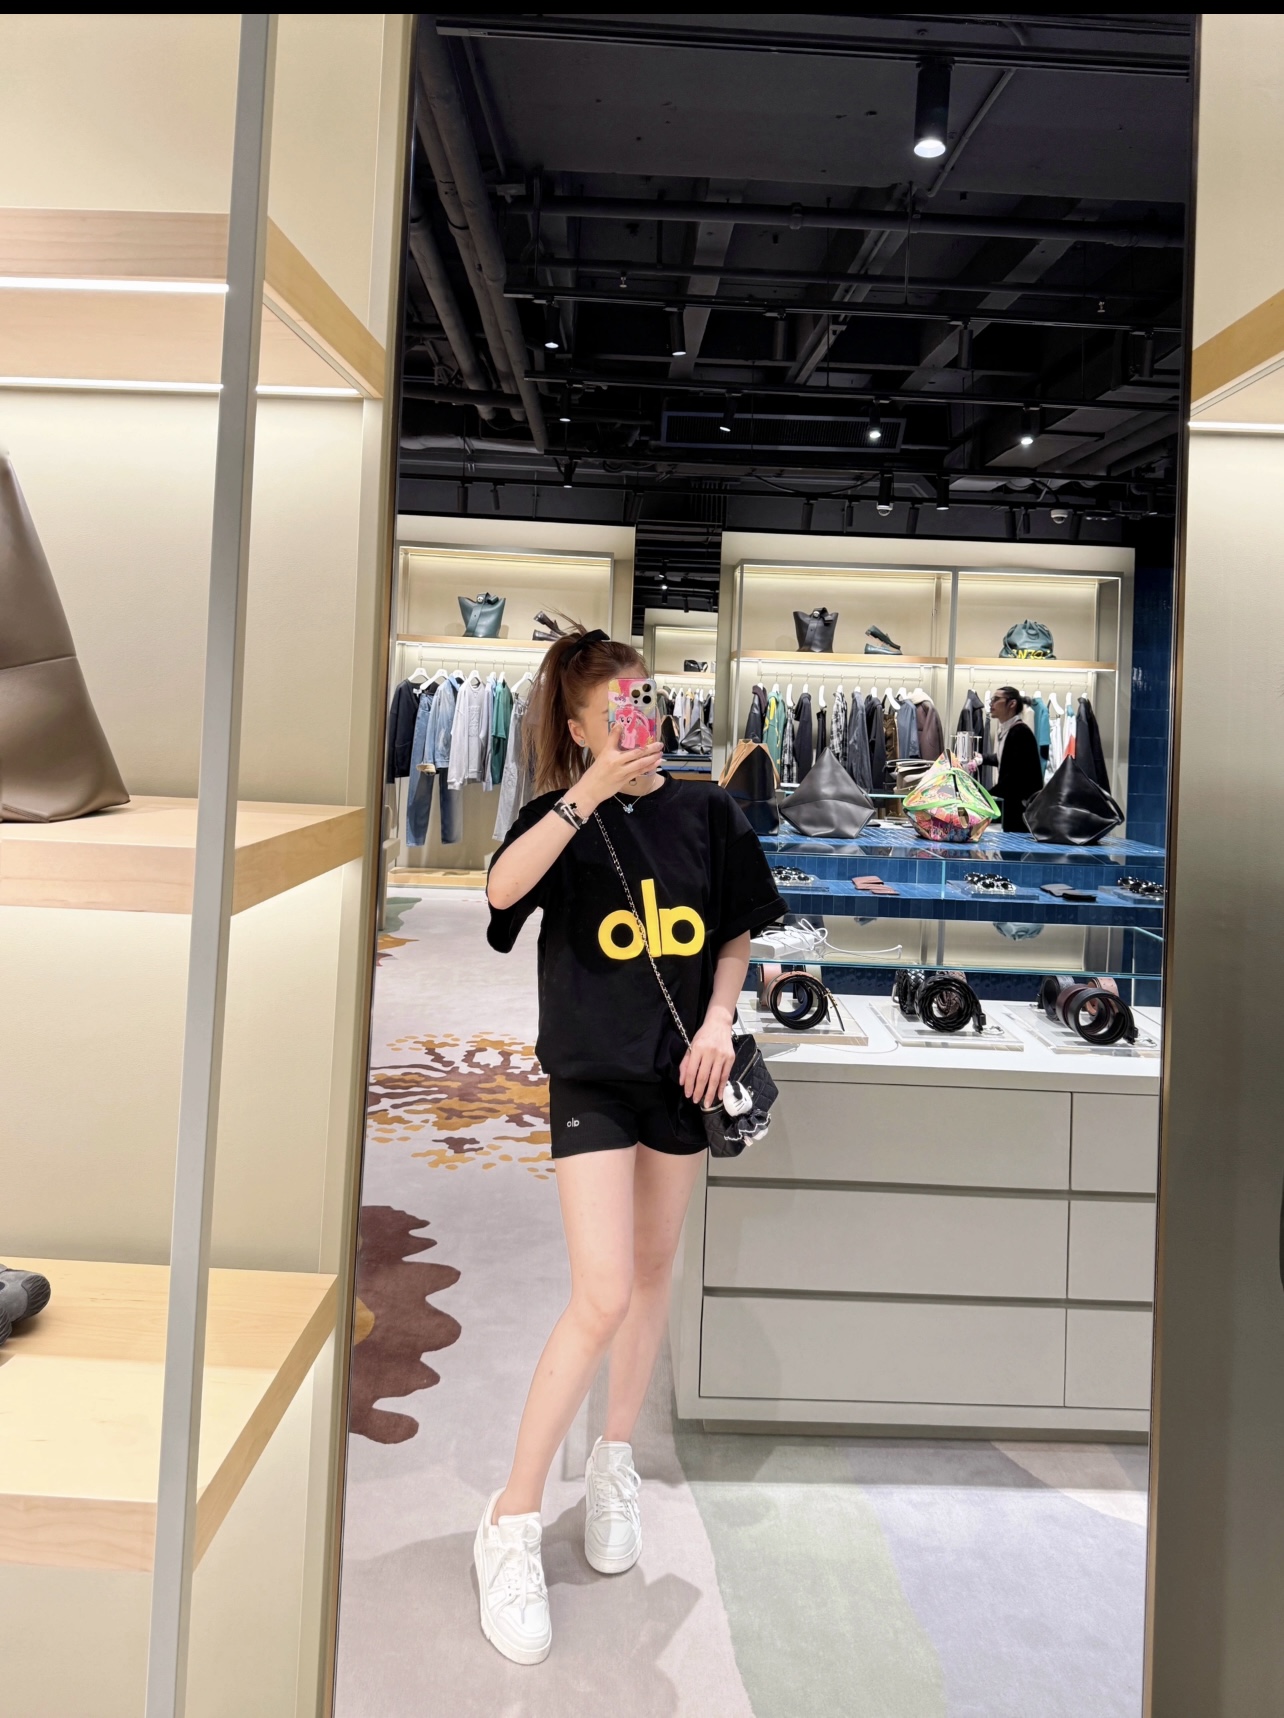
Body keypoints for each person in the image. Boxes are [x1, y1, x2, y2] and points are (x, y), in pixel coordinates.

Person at [475, 625, 785, 1665]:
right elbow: (500, 894)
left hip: (683, 1071)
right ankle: (511, 1517)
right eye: (615, 710)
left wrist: (719, 1021)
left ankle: (615, 1459)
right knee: (601, 1290)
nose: (639, 720)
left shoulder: (706, 809)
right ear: (578, 727)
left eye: (645, 699)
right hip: (593, 1075)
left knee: (653, 1275)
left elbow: (735, 928)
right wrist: (587, 792)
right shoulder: (559, 820)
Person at [986, 685, 1045, 832]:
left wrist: (984, 796)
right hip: (1013, 807)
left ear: (1012, 704)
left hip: (1020, 812)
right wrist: (982, 758)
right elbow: (1005, 759)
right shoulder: (1009, 731)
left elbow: (1013, 778)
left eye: (996, 699)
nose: (992, 703)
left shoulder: (1020, 733)